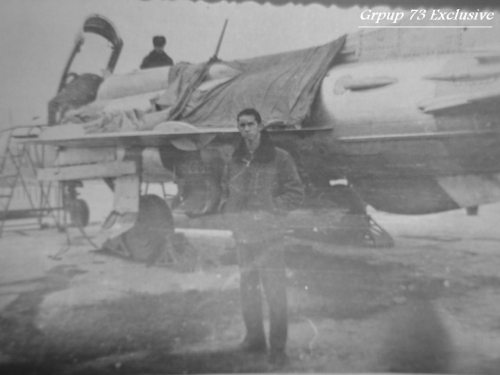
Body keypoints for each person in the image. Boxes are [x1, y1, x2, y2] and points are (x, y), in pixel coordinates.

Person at [221, 108, 304, 366]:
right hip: (243, 236)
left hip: (270, 237)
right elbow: (225, 192)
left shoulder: (280, 158)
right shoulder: (234, 160)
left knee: (275, 294)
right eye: (241, 125)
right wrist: (231, 215)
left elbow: (296, 193)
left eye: (250, 124)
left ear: (260, 126)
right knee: (248, 291)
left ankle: (278, 349)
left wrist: (270, 210)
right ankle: (254, 340)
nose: (246, 129)